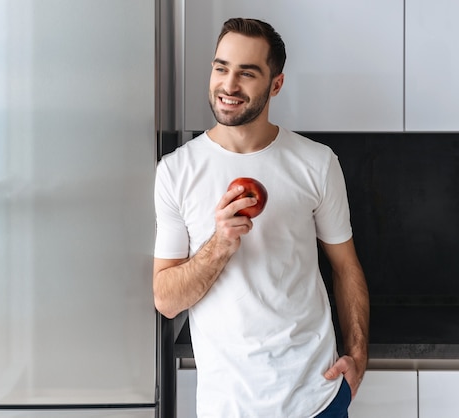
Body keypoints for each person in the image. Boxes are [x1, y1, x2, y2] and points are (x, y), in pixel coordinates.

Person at [153, 17, 369, 417]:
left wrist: (358, 356)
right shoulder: (176, 172)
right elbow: (166, 299)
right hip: (228, 406)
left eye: (247, 73)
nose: (229, 85)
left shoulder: (316, 163)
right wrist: (219, 245)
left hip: (316, 398)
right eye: (221, 68)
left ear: (276, 84)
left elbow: (345, 267)